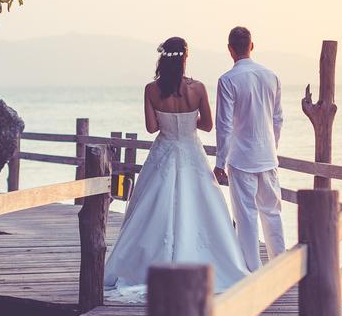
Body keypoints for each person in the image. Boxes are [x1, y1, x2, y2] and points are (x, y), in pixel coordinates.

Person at [102, 37, 250, 300]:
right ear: (185, 57)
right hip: (191, 151)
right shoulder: (198, 88)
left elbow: (151, 128)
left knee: (152, 207)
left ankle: (143, 267)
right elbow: (207, 126)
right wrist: (189, 118)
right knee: (201, 206)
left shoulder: (151, 89)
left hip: (164, 152)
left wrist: (167, 116)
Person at [214, 26, 285, 272]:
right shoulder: (271, 76)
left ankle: (252, 271)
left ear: (230, 50)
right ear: (251, 46)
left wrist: (219, 162)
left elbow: (223, 125)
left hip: (241, 157)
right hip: (267, 156)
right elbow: (278, 119)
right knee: (272, 213)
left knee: (246, 217)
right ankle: (280, 267)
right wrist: (271, 147)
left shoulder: (227, 80)